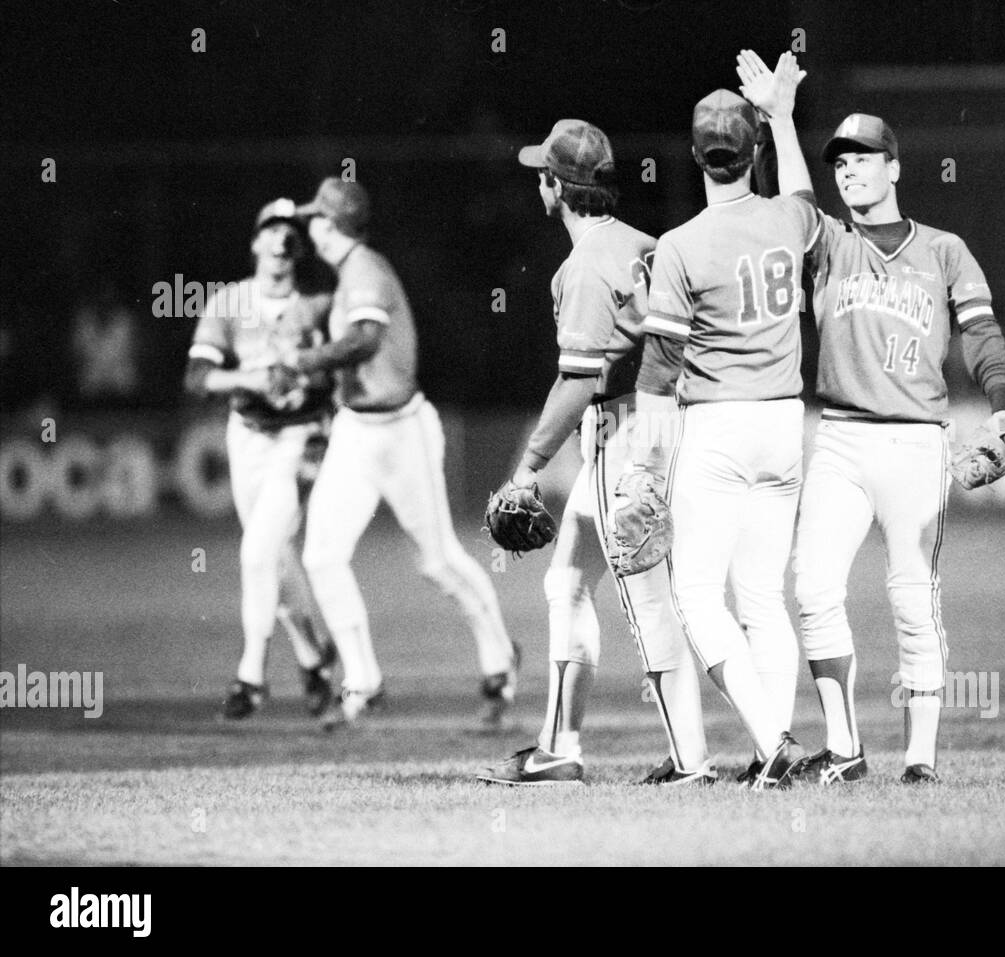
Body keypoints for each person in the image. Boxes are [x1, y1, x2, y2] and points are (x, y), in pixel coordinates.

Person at [736, 50, 1005, 784]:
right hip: (838, 439)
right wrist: (779, 119)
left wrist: (1004, 409)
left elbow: (982, 335)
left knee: (911, 597)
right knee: (811, 587)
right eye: (841, 162)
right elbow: (799, 197)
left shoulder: (945, 252)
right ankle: (845, 747)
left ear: (895, 167)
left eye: (865, 158)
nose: (850, 170)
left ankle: (921, 759)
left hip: (917, 444)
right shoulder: (829, 244)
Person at [477, 120, 712, 787]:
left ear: (557, 186)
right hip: (665, 421)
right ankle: (559, 746)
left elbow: (580, 379)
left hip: (624, 431)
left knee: (645, 598)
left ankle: (694, 761)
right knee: (568, 580)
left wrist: (526, 469)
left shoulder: (583, 266)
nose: (537, 185)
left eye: (541, 174)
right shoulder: (649, 244)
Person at [633, 70, 822, 790]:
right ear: (751, 154)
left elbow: (658, 369)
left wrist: (645, 466)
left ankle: (772, 742)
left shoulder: (682, 243)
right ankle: (769, 754)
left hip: (716, 426)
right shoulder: (788, 219)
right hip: (783, 422)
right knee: (762, 594)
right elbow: (803, 196)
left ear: (693, 153)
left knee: (696, 594)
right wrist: (782, 116)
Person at [282, 178, 518, 729]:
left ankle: (501, 662)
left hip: (402, 432)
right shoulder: (348, 276)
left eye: (315, 218)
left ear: (332, 225)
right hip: (356, 432)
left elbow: (365, 340)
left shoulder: (366, 270)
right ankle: (363, 681)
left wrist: (305, 362)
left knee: (437, 561)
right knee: (321, 554)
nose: (310, 227)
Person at [183, 198, 337, 719]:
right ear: (254, 241)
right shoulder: (229, 301)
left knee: (256, 552)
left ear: (299, 246)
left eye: (289, 232)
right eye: (270, 230)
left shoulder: (318, 303)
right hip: (246, 435)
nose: (279, 240)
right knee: (273, 554)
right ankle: (314, 659)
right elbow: (198, 377)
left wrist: (307, 378)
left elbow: (341, 369)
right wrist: (251, 377)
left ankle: (251, 677)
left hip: (301, 436)